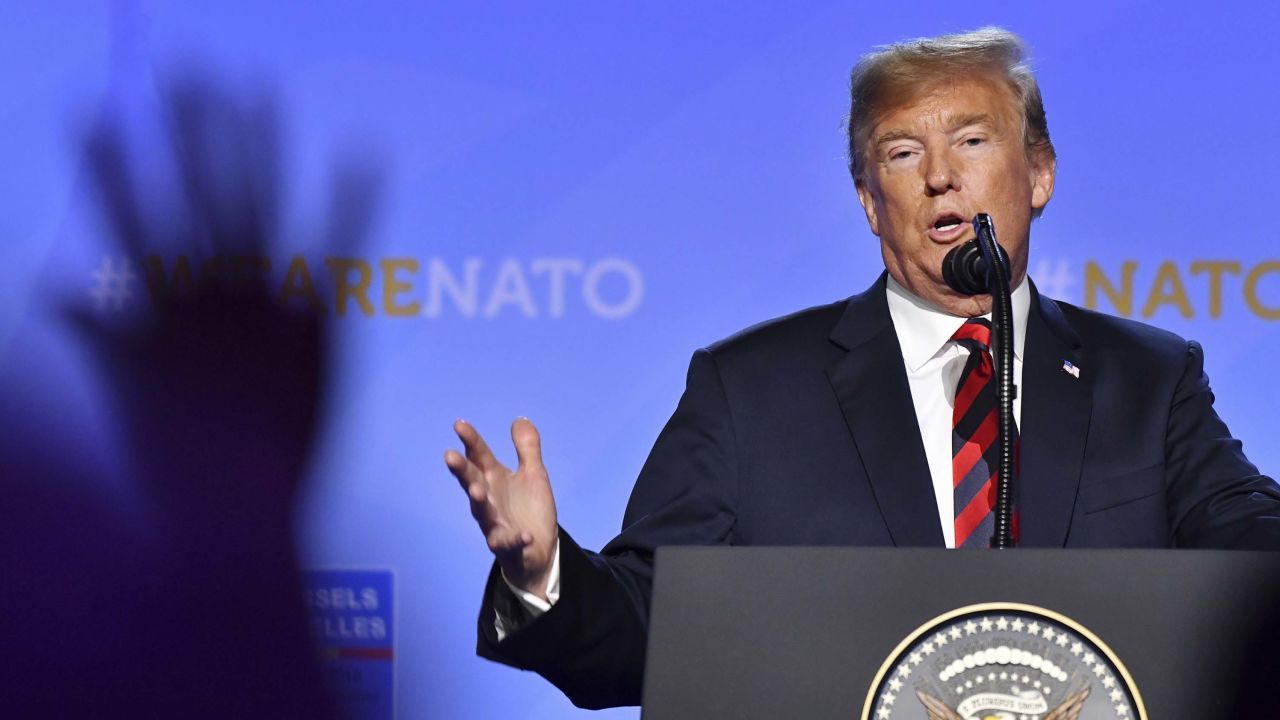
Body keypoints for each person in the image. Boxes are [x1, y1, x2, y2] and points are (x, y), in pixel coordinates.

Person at [444, 27, 1280, 709]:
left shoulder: (1148, 379)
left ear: (1040, 174)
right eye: (902, 154)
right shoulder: (752, 390)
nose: (942, 176)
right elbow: (647, 629)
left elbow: (1252, 550)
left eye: (972, 140)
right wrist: (543, 569)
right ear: (868, 202)